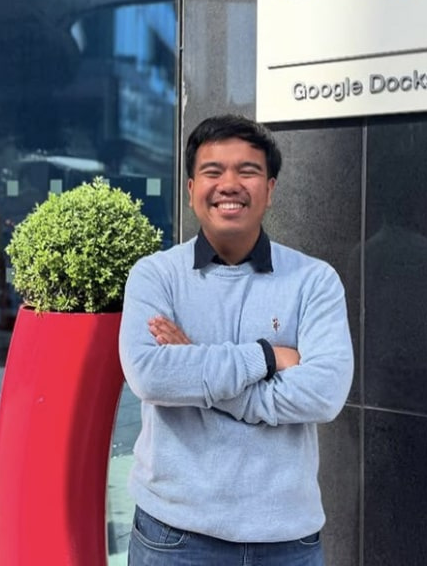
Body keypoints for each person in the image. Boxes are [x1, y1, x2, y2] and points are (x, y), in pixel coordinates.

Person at [119, 114, 354, 565]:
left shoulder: (314, 280)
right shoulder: (156, 276)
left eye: (247, 171)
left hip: (287, 537)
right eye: (213, 171)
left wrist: (195, 367)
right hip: (174, 535)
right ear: (191, 190)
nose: (229, 184)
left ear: (270, 188)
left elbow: (323, 395)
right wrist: (267, 356)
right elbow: (150, 377)